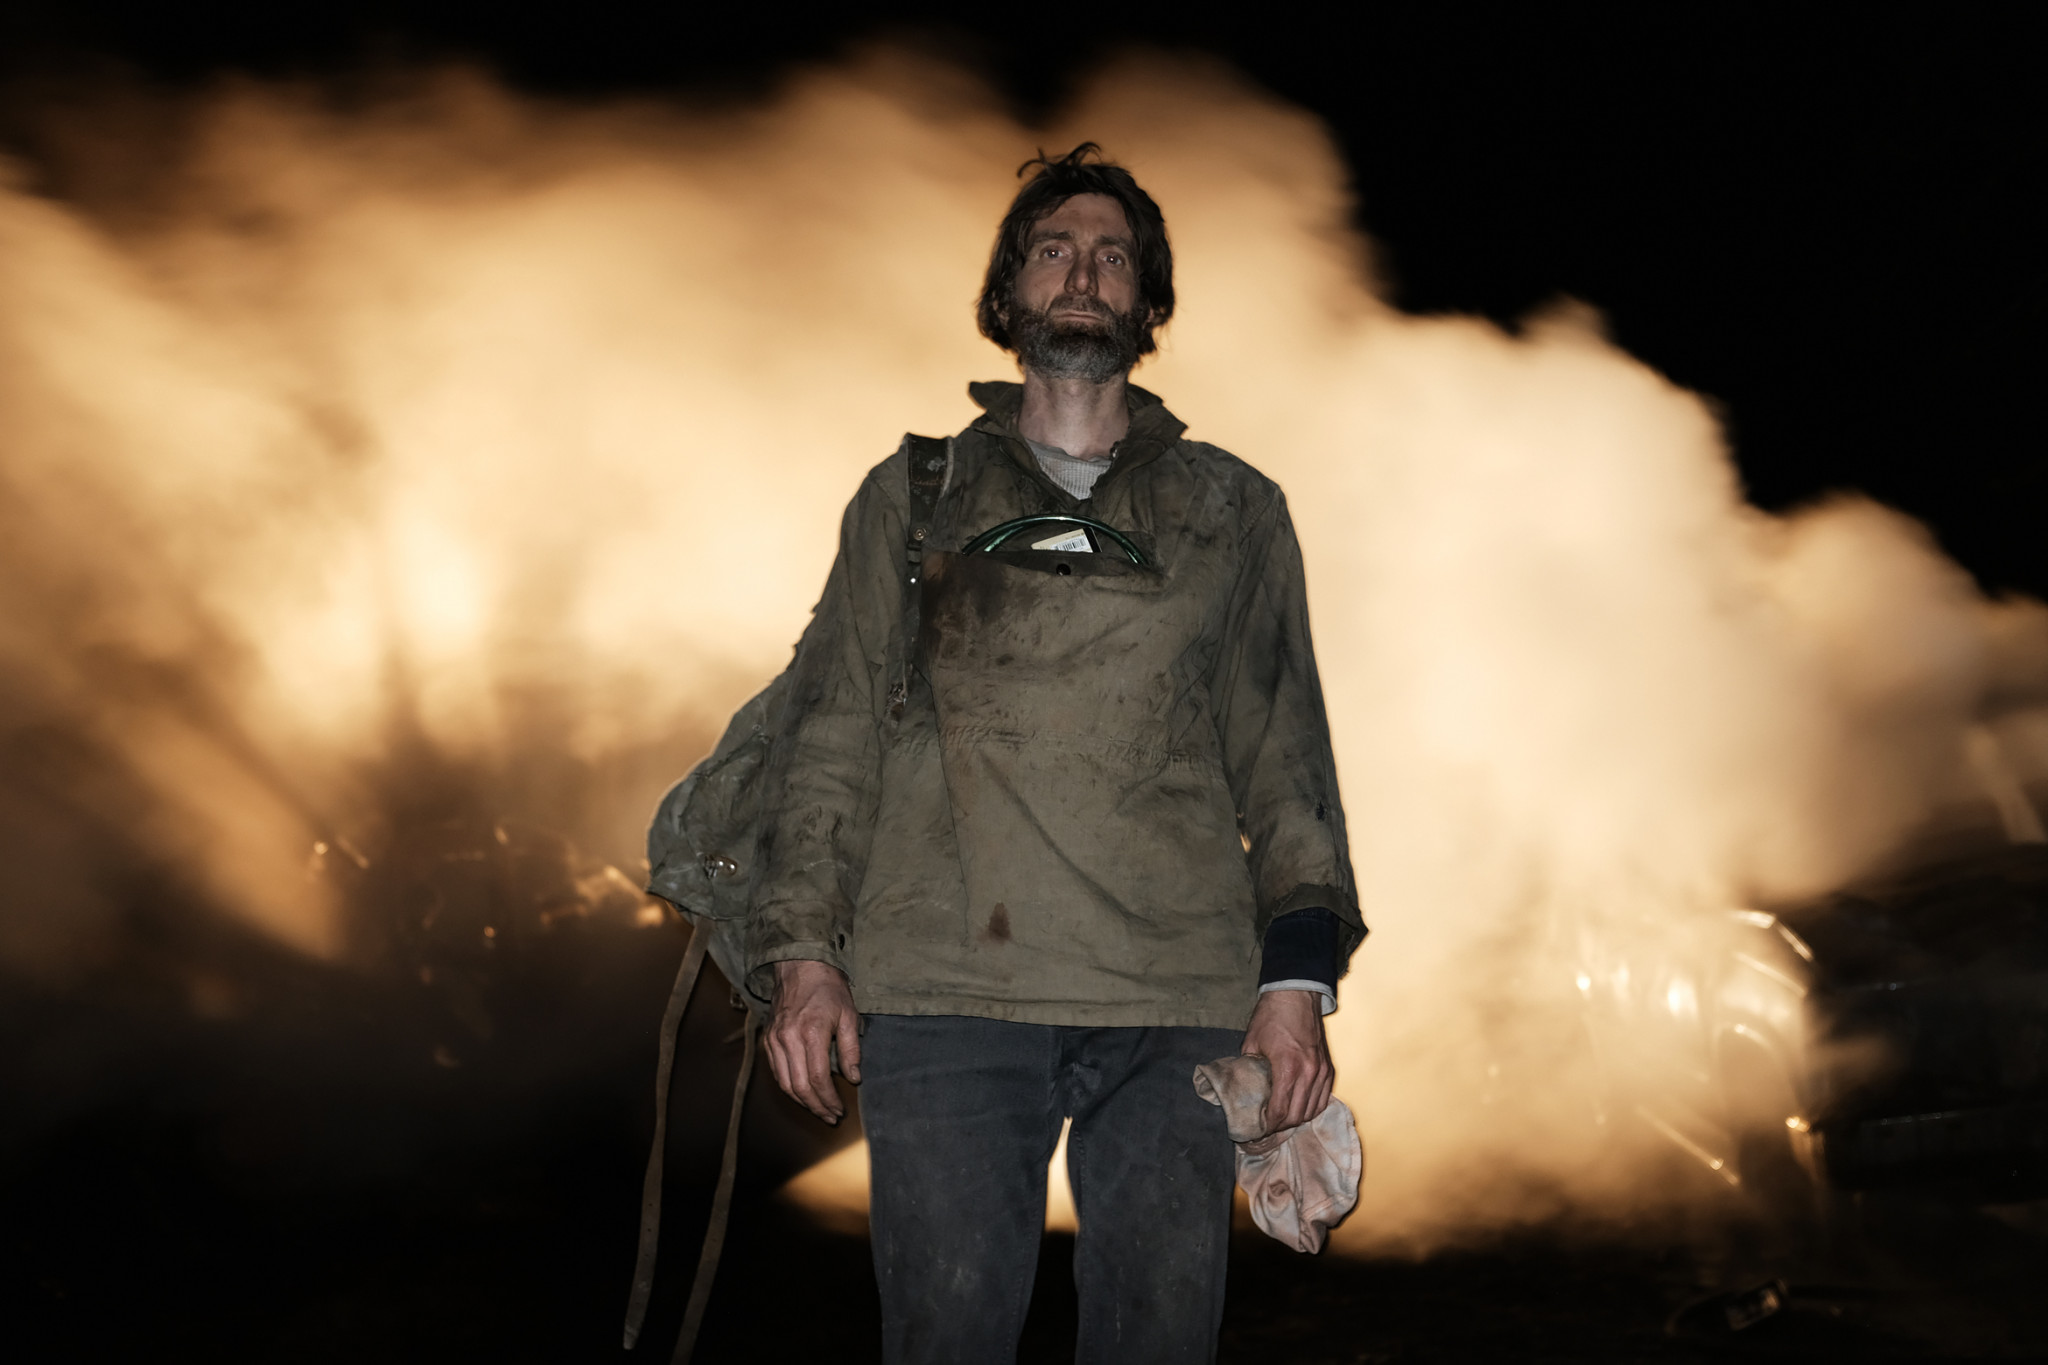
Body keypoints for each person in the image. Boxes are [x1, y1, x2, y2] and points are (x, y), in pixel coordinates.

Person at [748, 144, 1363, 1364]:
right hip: (945, 993)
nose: (1082, 275)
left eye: (1112, 258)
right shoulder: (912, 495)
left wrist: (1294, 988)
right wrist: (803, 958)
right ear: (1008, 295)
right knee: (945, 1337)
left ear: (1145, 304)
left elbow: (1284, 755)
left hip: (1173, 1001)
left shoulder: (1231, 510)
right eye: (1052, 251)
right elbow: (829, 734)